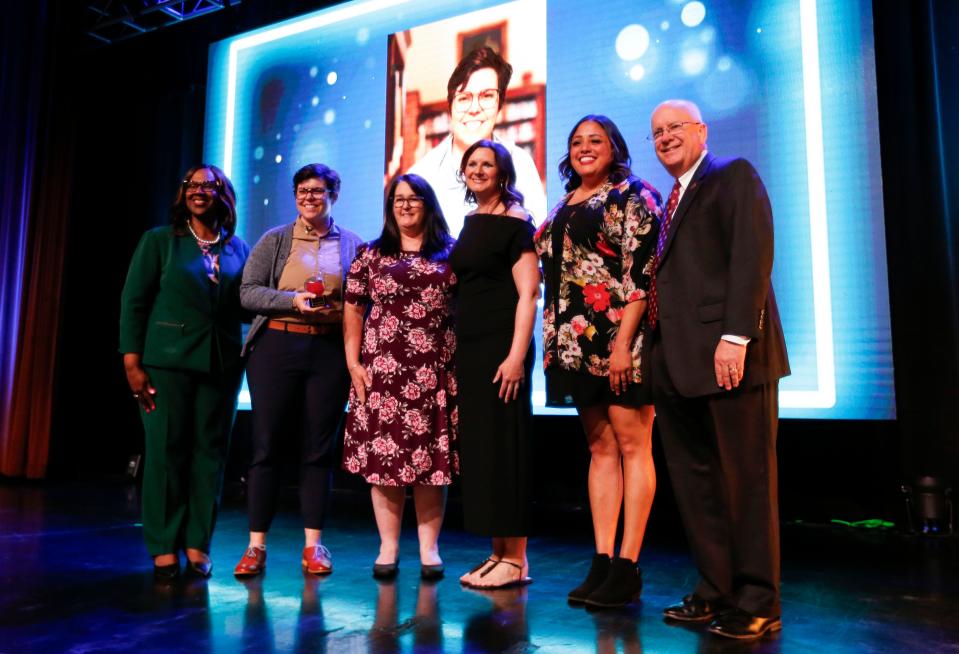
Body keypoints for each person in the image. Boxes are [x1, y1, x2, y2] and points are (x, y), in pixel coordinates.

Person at [646, 99, 790, 640]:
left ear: (701, 130)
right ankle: (715, 590)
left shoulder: (732, 175)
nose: (664, 138)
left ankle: (757, 599)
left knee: (746, 482)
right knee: (697, 485)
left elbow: (752, 256)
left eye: (674, 128)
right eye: (656, 133)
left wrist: (735, 337)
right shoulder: (668, 202)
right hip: (678, 364)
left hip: (733, 358)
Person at [533, 115, 661, 608]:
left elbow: (640, 274)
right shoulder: (565, 203)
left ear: (615, 147)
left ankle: (628, 566)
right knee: (600, 448)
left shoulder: (632, 194)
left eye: (596, 141)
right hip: (573, 346)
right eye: (577, 142)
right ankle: (603, 560)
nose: (586, 148)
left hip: (617, 343)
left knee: (633, 445)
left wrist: (624, 345)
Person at [119, 164, 250, 579]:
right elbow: (134, 302)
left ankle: (197, 543)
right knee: (165, 453)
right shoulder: (160, 241)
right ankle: (162, 545)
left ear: (223, 196)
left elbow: (246, 302)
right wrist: (131, 362)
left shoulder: (238, 249)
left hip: (222, 365)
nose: (199, 191)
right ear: (183, 194)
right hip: (166, 364)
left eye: (208, 186)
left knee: (210, 455)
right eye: (192, 185)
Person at [233, 163, 364, 577]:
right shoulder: (274, 240)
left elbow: (364, 301)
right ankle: (256, 547)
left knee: (319, 449)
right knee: (266, 445)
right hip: (277, 345)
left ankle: (314, 546)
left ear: (334, 195)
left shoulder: (354, 245)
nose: (310, 197)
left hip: (328, 350)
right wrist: (292, 302)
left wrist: (336, 309)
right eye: (303, 191)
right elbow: (248, 293)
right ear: (295, 197)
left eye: (319, 190)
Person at [341, 174, 458, 580]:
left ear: (429, 204)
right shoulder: (370, 255)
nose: (406, 206)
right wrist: (354, 364)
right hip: (382, 371)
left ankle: (429, 549)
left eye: (414, 199)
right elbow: (353, 310)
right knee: (385, 462)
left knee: (430, 464)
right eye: (398, 200)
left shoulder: (452, 253)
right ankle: (388, 547)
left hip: (433, 371)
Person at [449, 139, 540, 589]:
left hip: (504, 348)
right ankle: (498, 552)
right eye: (472, 164)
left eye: (487, 164)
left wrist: (516, 356)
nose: (478, 170)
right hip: (472, 348)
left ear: (503, 173)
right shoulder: (471, 220)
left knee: (507, 447)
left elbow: (528, 294)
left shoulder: (517, 222)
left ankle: (517, 558)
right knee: (484, 450)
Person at [408, 46, 547, 233]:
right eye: (464, 98)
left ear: (500, 105)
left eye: (487, 96)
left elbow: (540, 244)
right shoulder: (421, 176)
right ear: (450, 107)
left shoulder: (521, 163)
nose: (474, 108)